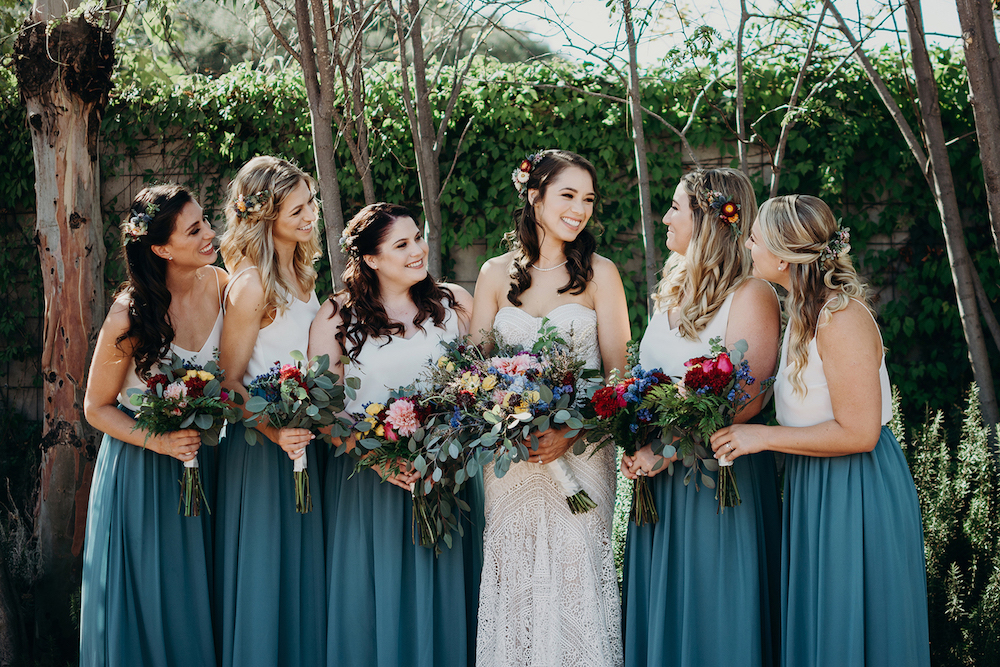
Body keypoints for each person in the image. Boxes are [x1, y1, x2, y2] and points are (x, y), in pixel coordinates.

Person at [709, 194, 930, 666]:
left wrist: (762, 437)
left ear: (786, 254)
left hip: (856, 486)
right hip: (817, 480)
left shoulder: (840, 317)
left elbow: (860, 432)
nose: (747, 243)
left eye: (756, 236)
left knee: (853, 627)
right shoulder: (803, 315)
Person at [469, 149, 630, 666]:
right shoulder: (494, 274)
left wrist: (574, 432)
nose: (580, 209)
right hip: (509, 464)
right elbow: (472, 372)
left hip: (582, 456)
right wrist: (502, 419)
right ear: (533, 195)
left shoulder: (602, 273)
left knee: (577, 574)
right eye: (568, 195)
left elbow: (617, 376)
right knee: (514, 577)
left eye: (588, 199)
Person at [620, 167, 782, 667]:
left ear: (709, 220)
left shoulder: (751, 295)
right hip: (659, 482)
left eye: (675, 208)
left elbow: (746, 400)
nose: (665, 217)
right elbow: (651, 381)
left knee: (715, 619)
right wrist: (631, 430)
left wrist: (665, 449)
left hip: (717, 481)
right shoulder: (670, 288)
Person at [310, 202, 483, 667]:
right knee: (376, 599)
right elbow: (322, 410)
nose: (418, 251)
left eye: (418, 238)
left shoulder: (453, 303)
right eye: (401, 244)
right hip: (373, 482)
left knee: (450, 593)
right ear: (369, 258)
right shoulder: (336, 317)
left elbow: (484, 384)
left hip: (449, 477)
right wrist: (380, 458)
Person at [80, 185, 225, 666]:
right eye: (195, 229)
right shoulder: (129, 316)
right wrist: (160, 442)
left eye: (205, 222)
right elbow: (96, 407)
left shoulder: (223, 286)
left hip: (210, 466)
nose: (210, 234)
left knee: (203, 602)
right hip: (142, 473)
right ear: (161, 248)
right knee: (153, 606)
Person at [214, 156, 326, 667]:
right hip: (262, 448)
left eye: (311, 203)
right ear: (265, 217)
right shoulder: (252, 284)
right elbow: (228, 383)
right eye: (297, 209)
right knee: (264, 573)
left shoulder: (302, 272)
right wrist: (274, 429)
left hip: (305, 441)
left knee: (303, 572)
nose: (310, 216)